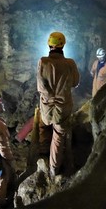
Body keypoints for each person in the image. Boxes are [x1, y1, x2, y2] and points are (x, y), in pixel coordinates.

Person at [37, 31, 80, 178]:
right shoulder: (70, 64)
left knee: (43, 125)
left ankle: (42, 153)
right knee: (58, 137)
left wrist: (50, 98)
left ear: (49, 45)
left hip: (47, 109)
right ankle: (54, 169)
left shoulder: (43, 62)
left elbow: (40, 87)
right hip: (62, 109)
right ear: (63, 45)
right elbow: (75, 82)